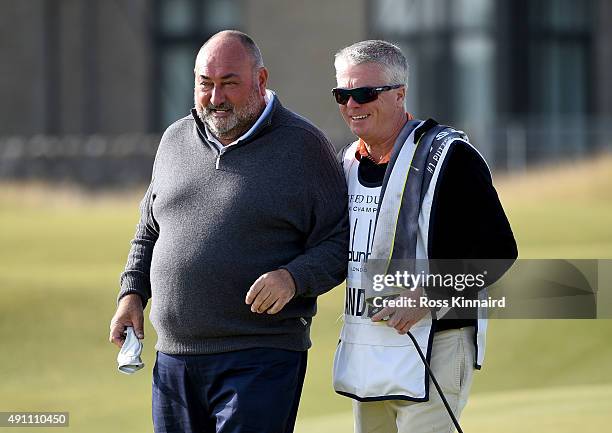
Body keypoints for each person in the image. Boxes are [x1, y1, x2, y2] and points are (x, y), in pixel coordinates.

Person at [109, 30, 348, 433]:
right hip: (174, 360)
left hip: (260, 357)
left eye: (229, 84)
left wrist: (294, 279)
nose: (216, 98)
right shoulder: (174, 139)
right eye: (206, 84)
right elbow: (149, 229)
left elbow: (340, 241)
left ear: (260, 80)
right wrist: (131, 294)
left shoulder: (304, 147)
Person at [330, 40, 518, 433]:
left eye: (364, 93)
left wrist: (429, 295)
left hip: (436, 347)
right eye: (343, 94)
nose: (352, 104)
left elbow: (498, 252)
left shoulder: (451, 156)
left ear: (399, 94)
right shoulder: (346, 162)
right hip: (368, 353)